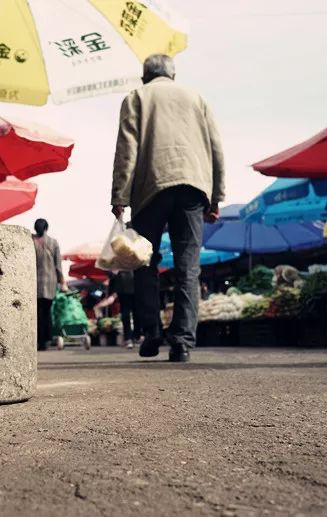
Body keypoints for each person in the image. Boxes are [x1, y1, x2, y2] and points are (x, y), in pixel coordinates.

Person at [111, 54, 226, 362]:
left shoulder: (137, 96)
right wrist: (216, 196)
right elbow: (216, 147)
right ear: (173, 75)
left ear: (145, 76)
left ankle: (151, 333)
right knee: (188, 267)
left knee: (144, 262)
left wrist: (119, 195)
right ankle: (182, 342)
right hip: (193, 187)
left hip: (151, 188)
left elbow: (127, 149)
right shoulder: (195, 97)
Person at [33, 218, 67, 351]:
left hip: (35, 283)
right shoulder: (53, 243)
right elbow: (58, 265)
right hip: (50, 283)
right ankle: (46, 340)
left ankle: (38, 340)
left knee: (37, 313)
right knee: (46, 312)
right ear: (46, 228)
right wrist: (62, 282)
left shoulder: (31, 241)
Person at [108, 270, 139, 349]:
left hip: (122, 285)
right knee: (136, 312)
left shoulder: (117, 258)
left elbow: (110, 272)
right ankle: (136, 337)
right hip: (135, 283)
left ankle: (128, 339)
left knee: (126, 312)